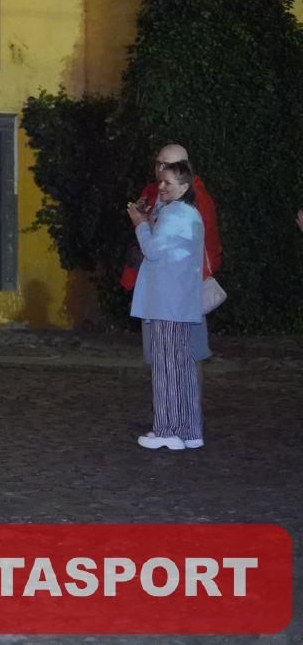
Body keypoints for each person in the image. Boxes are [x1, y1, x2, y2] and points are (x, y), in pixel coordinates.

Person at [127, 160, 205, 450]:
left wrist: (140, 225)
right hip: (181, 303)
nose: (161, 186)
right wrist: (150, 220)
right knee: (182, 366)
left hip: (165, 303)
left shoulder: (174, 214)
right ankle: (189, 430)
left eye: (168, 182)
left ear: (183, 187)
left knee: (165, 368)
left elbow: (152, 250)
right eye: (160, 181)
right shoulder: (190, 213)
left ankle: (167, 429)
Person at [121, 144, 221, 370]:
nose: (160, 169)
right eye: (158, 163)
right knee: (161, 358)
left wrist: (142, 225)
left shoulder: (197, 199)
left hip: (180, 290)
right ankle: (174, 393)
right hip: (157, 289)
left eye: (167, 165)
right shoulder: (153, 191)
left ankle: (183, 394)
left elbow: (203, 244)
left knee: (187, 357)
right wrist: (145, 218)